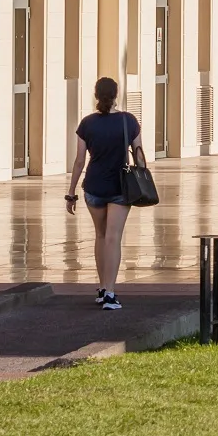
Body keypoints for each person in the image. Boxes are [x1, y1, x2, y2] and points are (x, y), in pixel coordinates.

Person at [66, 77, 144, 311]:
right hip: (121, 187)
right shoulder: (128, 121)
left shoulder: (87, 124)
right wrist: (144, 180)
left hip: (94, 186)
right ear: (116, 94)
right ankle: (110, 292)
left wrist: (71, 193)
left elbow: (80, 161)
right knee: (113, 237)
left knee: (101, 236)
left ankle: (102, 288)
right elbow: (139, 155)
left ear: (96, 95)